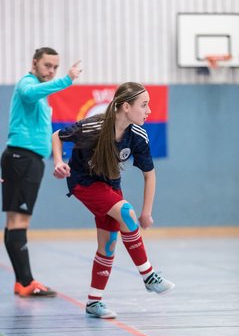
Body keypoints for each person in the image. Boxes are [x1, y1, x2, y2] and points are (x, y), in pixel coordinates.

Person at [52, 82, 175, 318]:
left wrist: (146, 213)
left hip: (110, 184)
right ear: (126, 107)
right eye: (144, 105)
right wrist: (59, 162)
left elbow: (149, 175)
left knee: (108, 245)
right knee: (127, 213)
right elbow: (57, 136)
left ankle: (93, 302)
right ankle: (149, 276)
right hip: (83, 182)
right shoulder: (94, 126)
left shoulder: (137, 135)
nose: (149, 111)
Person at [1, 47, 81, 297]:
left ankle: (23, 281)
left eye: (56, 67)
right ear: (35, 63)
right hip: (21, 159)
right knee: (19, 221)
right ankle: (25, 283)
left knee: (17, 221)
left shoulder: (40, 95)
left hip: (29, 160)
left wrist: (56, 159)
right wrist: (66, 79)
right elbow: (30, 92)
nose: (52, 71)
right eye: (48, 66)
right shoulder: (28, 83)